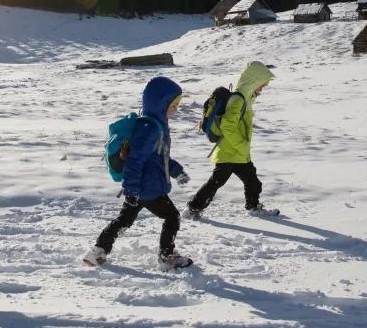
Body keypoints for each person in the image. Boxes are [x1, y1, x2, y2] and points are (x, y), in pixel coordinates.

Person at [84, 76, 193, 270]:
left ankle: (98, 251)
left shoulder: (156, 125)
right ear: (161, 103)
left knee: (124, 220)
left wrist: (178, 172)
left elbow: (160, 158)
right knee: (172, 217)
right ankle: (166, 256)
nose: (176, 109)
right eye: (174, 105)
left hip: (140, 188)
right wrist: (131, 189)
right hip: (147, 188)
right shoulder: (150, 128)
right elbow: (135, 160)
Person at [187, 61, 278, 218]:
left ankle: (253, 207)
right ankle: (193, 209)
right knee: (216, 182)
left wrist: (242, 148)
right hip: (230, 152)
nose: (262, 89)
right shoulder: (239, 100)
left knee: (253, 182)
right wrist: (241, 145)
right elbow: (227, 125)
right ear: (253, 82)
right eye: (261, 85)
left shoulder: (246, 99)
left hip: (238, 154)